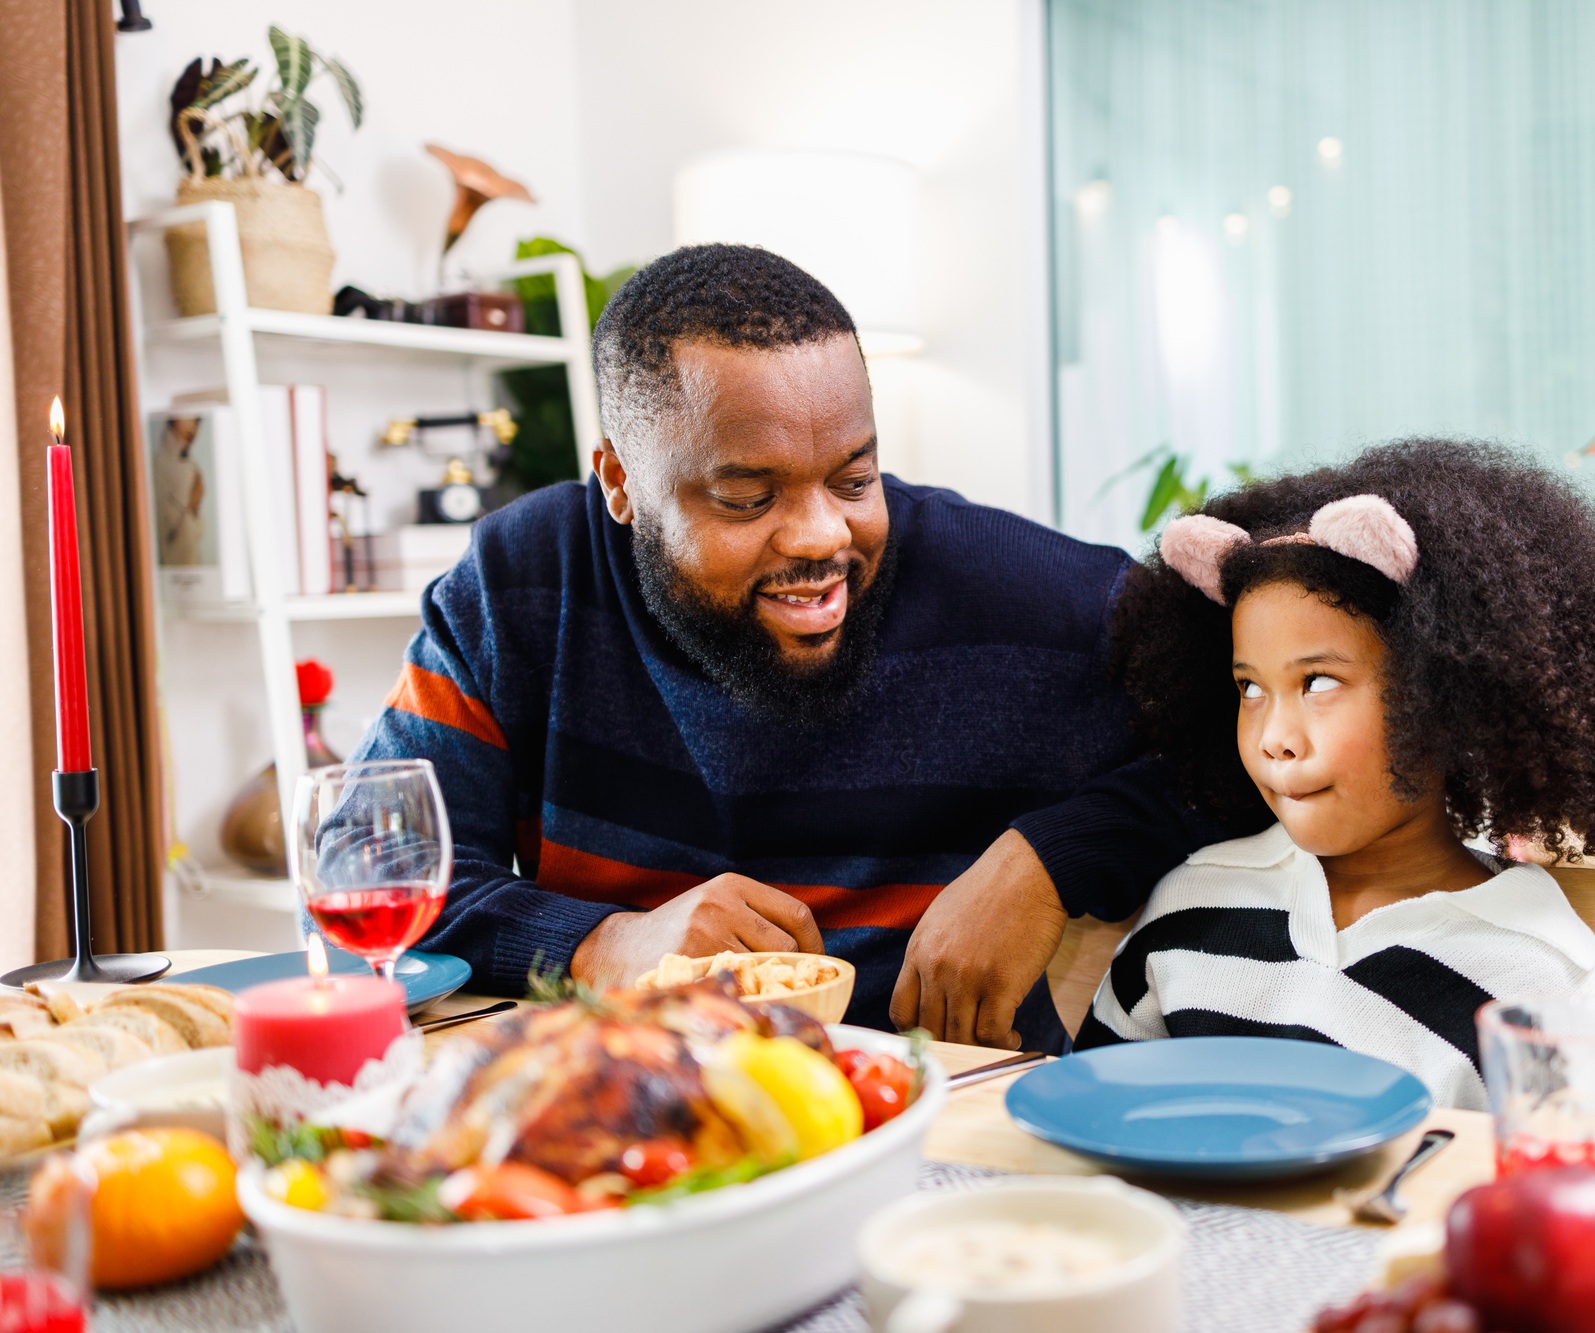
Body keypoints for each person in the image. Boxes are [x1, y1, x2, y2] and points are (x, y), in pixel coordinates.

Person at [350, 244, 1225, 1054]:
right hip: (627, 1119)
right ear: (619, 480)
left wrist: (1045, 862)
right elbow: (364, 878)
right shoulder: (523, 584)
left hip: (936, 1119)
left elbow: (1269, 722)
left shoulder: (1015, 588)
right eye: (747, 496)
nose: (820, 536)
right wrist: (604, 944)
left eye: (854, 478)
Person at [1077, 440, 1595, 1108]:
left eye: (1318, 681)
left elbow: (1582, 1191)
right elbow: (1089, 1116)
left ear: (1443, 694)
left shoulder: (1542, 977)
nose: (1274, 738)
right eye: (1250, 688)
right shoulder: (1192, 905)